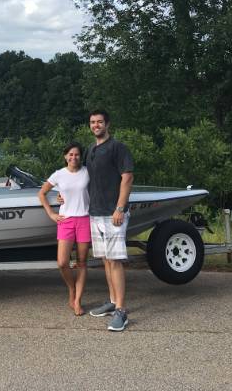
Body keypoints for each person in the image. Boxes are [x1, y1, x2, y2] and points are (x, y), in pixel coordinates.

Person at [84, 109, 134, 332]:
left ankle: (121, 311)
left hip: (113, 213)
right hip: (95, 212)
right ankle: (113, 301)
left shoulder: (117, 147)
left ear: (107, 124)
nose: (96, 125)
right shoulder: (91, 149)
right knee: (105, 259)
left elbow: (127, 177)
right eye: (93, 122)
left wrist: (120, 208)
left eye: (100, 122)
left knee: (115, 261)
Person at [37, 142, 91, 316]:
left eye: (76, 155)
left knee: (82, 262)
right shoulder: (59, 174)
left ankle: (77, 301)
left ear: (80, 156)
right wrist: (51, 213)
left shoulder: (87, 172)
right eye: (70, 154)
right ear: (65, 156)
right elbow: (42, 193)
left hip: (84, 219)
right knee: (62, 262)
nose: (73, 157)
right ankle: (72, 289)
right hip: (66, 220)